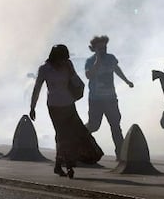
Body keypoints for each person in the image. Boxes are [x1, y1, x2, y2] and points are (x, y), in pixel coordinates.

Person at [29, 44, 103, 179]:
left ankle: (58, 165)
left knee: (75, 134)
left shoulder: (68, 66)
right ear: (55, 57)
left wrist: (71, 71)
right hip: (54, 107)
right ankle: (68, 165)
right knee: (63, 136)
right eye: (62, 58)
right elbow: (37, 88)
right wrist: (32, 107)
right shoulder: (45, 69)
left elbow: (77, 83)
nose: (63, 61)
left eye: (65, 59)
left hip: (69, 106)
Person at [84, 35, 134, 160]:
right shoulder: (90, 61)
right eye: (100, 48)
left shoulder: (111, 58)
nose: (103, 50)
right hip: (96, 100)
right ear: (94, 49)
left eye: (105, 47)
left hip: (110, 98)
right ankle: (80, 135)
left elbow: (116, 69)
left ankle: (121, 154)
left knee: (115, 125)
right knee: (94, 125)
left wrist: (126, 81)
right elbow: (89, 75)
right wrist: (97, 62)